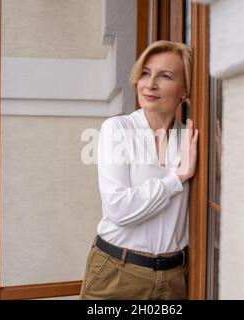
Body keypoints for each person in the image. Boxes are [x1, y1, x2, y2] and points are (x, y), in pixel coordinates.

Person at [79, 40, 198, 300]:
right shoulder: (118, 129)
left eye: (165, 76)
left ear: (185, 89)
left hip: (174, 278)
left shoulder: (189, 139)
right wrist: (177, 178)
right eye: (145, 73)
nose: (150, 84)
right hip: (118, 273)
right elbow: (119, 209)